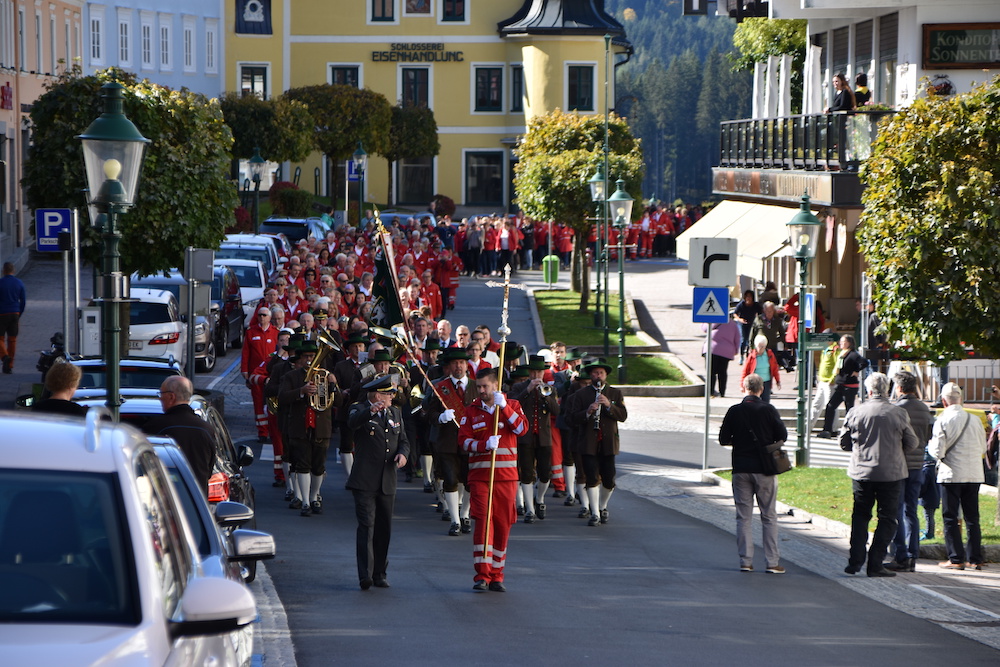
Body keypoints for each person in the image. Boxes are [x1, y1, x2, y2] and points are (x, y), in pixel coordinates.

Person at [840, 372, 919, 577]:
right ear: (888, 389)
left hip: (862, 472)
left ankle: (855, 560)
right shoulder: (898, 413)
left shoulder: (856, 412)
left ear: (868, 391)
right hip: (891, 473)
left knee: (860, 516)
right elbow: (912, 443)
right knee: (887, 518)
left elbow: (843, 442)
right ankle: (875, 563)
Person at [458, 367, 527, 592]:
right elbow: (463, 441)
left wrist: (505, 407)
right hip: (480, 477)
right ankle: (482, 574)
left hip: (506, 478)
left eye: (485, 386)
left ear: (495, 385)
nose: (481, 391)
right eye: (478, 387)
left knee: (502, 524)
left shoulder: (512, 405)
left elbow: (521, 429)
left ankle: (497, 574)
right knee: (483, 523)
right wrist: (483, 445)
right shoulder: (471, 410)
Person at [719, 373, 788, 574]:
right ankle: (772, 562)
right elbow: (782, 435)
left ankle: (745, 561)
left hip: (741, 468)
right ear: (761, 389)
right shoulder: (768, 410)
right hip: (765, 469)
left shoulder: (734, 411)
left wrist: (740, 442)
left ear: (744, 387)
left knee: (743, 517)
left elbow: (724, 438)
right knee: (768, 516)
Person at [346, 374, 409, 590]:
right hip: (364, 480)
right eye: (388, 393)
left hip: (387, 480)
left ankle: (380, 572)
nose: (392, 397)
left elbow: (404, 441)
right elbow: (353, 423)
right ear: (376, 394)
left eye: (392, 393)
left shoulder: (395, 412)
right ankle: (365, 574)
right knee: (367, 526)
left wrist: (403, 455)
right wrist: (369, 411)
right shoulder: (359, 408)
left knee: (384, 529)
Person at [928, 382, 988, 570]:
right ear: (960, 400)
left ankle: (956, 559)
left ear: (944, 401)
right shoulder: (974, 419)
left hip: (951, 474)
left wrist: (930, 447)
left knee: (950, 517)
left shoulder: (942, 420)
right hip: (974, 473)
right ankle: (975, 558)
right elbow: (983, 448)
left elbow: (937, 451)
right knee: (972, 518)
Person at [279, 340, 340, 516]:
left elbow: (339, 403)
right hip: (300, 426)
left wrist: (333, 385)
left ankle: (314, 497)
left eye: (312, 356)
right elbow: (282, 397)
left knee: (318, 466)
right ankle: (305, 501)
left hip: (321, 427)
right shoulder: (292, 377)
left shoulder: (326, 375)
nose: (309, 360)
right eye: (306, 356)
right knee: (302, 465)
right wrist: (301, 391)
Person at [423, 347, 478, 536]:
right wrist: (440, 417)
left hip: (469, 442)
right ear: (449, 366)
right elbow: (428, 413)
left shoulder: (476, 386)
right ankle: (455, 520)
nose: (459, 366)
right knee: (451, 479)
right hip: (446, 441)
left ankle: (465, 515)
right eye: (455, 363)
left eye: (462, 363)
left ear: (467, 365)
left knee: (469, 481)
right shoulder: (440, 387)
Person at [567, 358, 627, 526]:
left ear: (605, 375)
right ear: (590, 375)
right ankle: (594, 513)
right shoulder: (580, 394)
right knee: (591, 477)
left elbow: (622, 416)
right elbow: (570, 419)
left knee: (609, 479)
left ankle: (602, 506)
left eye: (600, 373)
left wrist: (609, 406)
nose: (597, 376)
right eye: (594, 373)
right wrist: (587, 412)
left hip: (608, 443)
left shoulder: (615, 393)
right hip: (588, 442)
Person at [885, 370, 933, 572]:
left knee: (897, 510)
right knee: (911, 511)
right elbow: (929, 435)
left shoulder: (897, 409)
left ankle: (901, 554)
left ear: (899, 388)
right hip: (918, 465)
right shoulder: (924, 409)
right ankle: (913, 555)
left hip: (900, 464)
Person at [143, 376, 217, 495]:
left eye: (161, 394)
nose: (160, 398)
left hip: (165, 502)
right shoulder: (206, 429)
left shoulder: (155, 427)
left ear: (171, 396)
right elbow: (209, 469)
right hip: (197, 503)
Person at [509, 355, 560, 523]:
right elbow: (512, 405)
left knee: (545, 474)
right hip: (526, 437)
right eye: (534, 372)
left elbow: (556, 411)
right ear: (529, 372)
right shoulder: (518, 387)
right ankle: (530, 509)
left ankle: (540, 499)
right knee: (527, 473)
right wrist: (528, 390)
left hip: (544, 437)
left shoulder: (550, 389)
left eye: (540, 372)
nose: (537, 375)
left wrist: (546, 396)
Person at [242, 307, 279, 442]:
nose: (262, 317)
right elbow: (246, 353)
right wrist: (245, 372)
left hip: (271, 375)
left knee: (270, 401)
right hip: (256, 375)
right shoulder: (251, 333)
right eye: (259, 315)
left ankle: (271, 427)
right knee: (258, 403)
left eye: (264, 315)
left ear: (269, 317)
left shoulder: (275, 333)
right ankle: (262, 432)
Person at [818, 335, 866, 439]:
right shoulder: (841, 354)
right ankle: (827, 430)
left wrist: (856, 371)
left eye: (844, 342)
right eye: (841, 342)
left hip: (850, 386)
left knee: (849, 409)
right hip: (840, 385)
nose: (841, 343)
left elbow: (864, 362)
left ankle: (850, 431)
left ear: (849, 343)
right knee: (830, 406)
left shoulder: (853, 354)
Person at [703, 318, 742, 398]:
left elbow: (704, 328)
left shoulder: (712, 320)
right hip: (726, 350)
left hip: (711, 349)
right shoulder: (732, 323)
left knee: (711, 372)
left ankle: (710, 392)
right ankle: (722, 392)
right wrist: (736, 349)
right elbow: (737, 338)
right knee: (722, 372)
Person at [0, 261, 26, 374]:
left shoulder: (0, 283)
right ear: (13, 271)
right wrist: (19, 313)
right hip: (15, 313)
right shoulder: (19, 283)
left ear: (3, 271)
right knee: (12, 340)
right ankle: (9, 366)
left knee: (0, 339)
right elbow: (23, 301)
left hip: (1, 314)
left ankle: (4, 356)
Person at [809, 333, 839, 431]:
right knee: (816, 404)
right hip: (822, 381)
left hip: (830, 382)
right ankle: (808, 426)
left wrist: (833, 379)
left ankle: (833, 429)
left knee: (830, 405)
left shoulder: (835, 349)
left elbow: (837, 365)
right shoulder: (825, 349)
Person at [740, 335, 781, 403]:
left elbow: (775, 369)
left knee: (765, 402)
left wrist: (778, 381)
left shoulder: (770, 354)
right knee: (753, 402)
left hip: (766, 382)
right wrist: (742, 385)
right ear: (756, 345)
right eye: (759, 346)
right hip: (754, 383)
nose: (761, 348)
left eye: (763, 346)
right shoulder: (752, 356)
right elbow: (745, 371)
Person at [733, 290, 761, 363]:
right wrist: (739, 319)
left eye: (750, 296)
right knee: (743, 340)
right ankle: (741, 356)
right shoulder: (742, 304)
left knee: (750, 339)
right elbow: (735, 313)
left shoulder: (755, 305)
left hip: (752, 324)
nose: (748, 298)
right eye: (747, 296)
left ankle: (748, 356)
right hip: (743, 323)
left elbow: (760, 313)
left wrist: (758, 320)